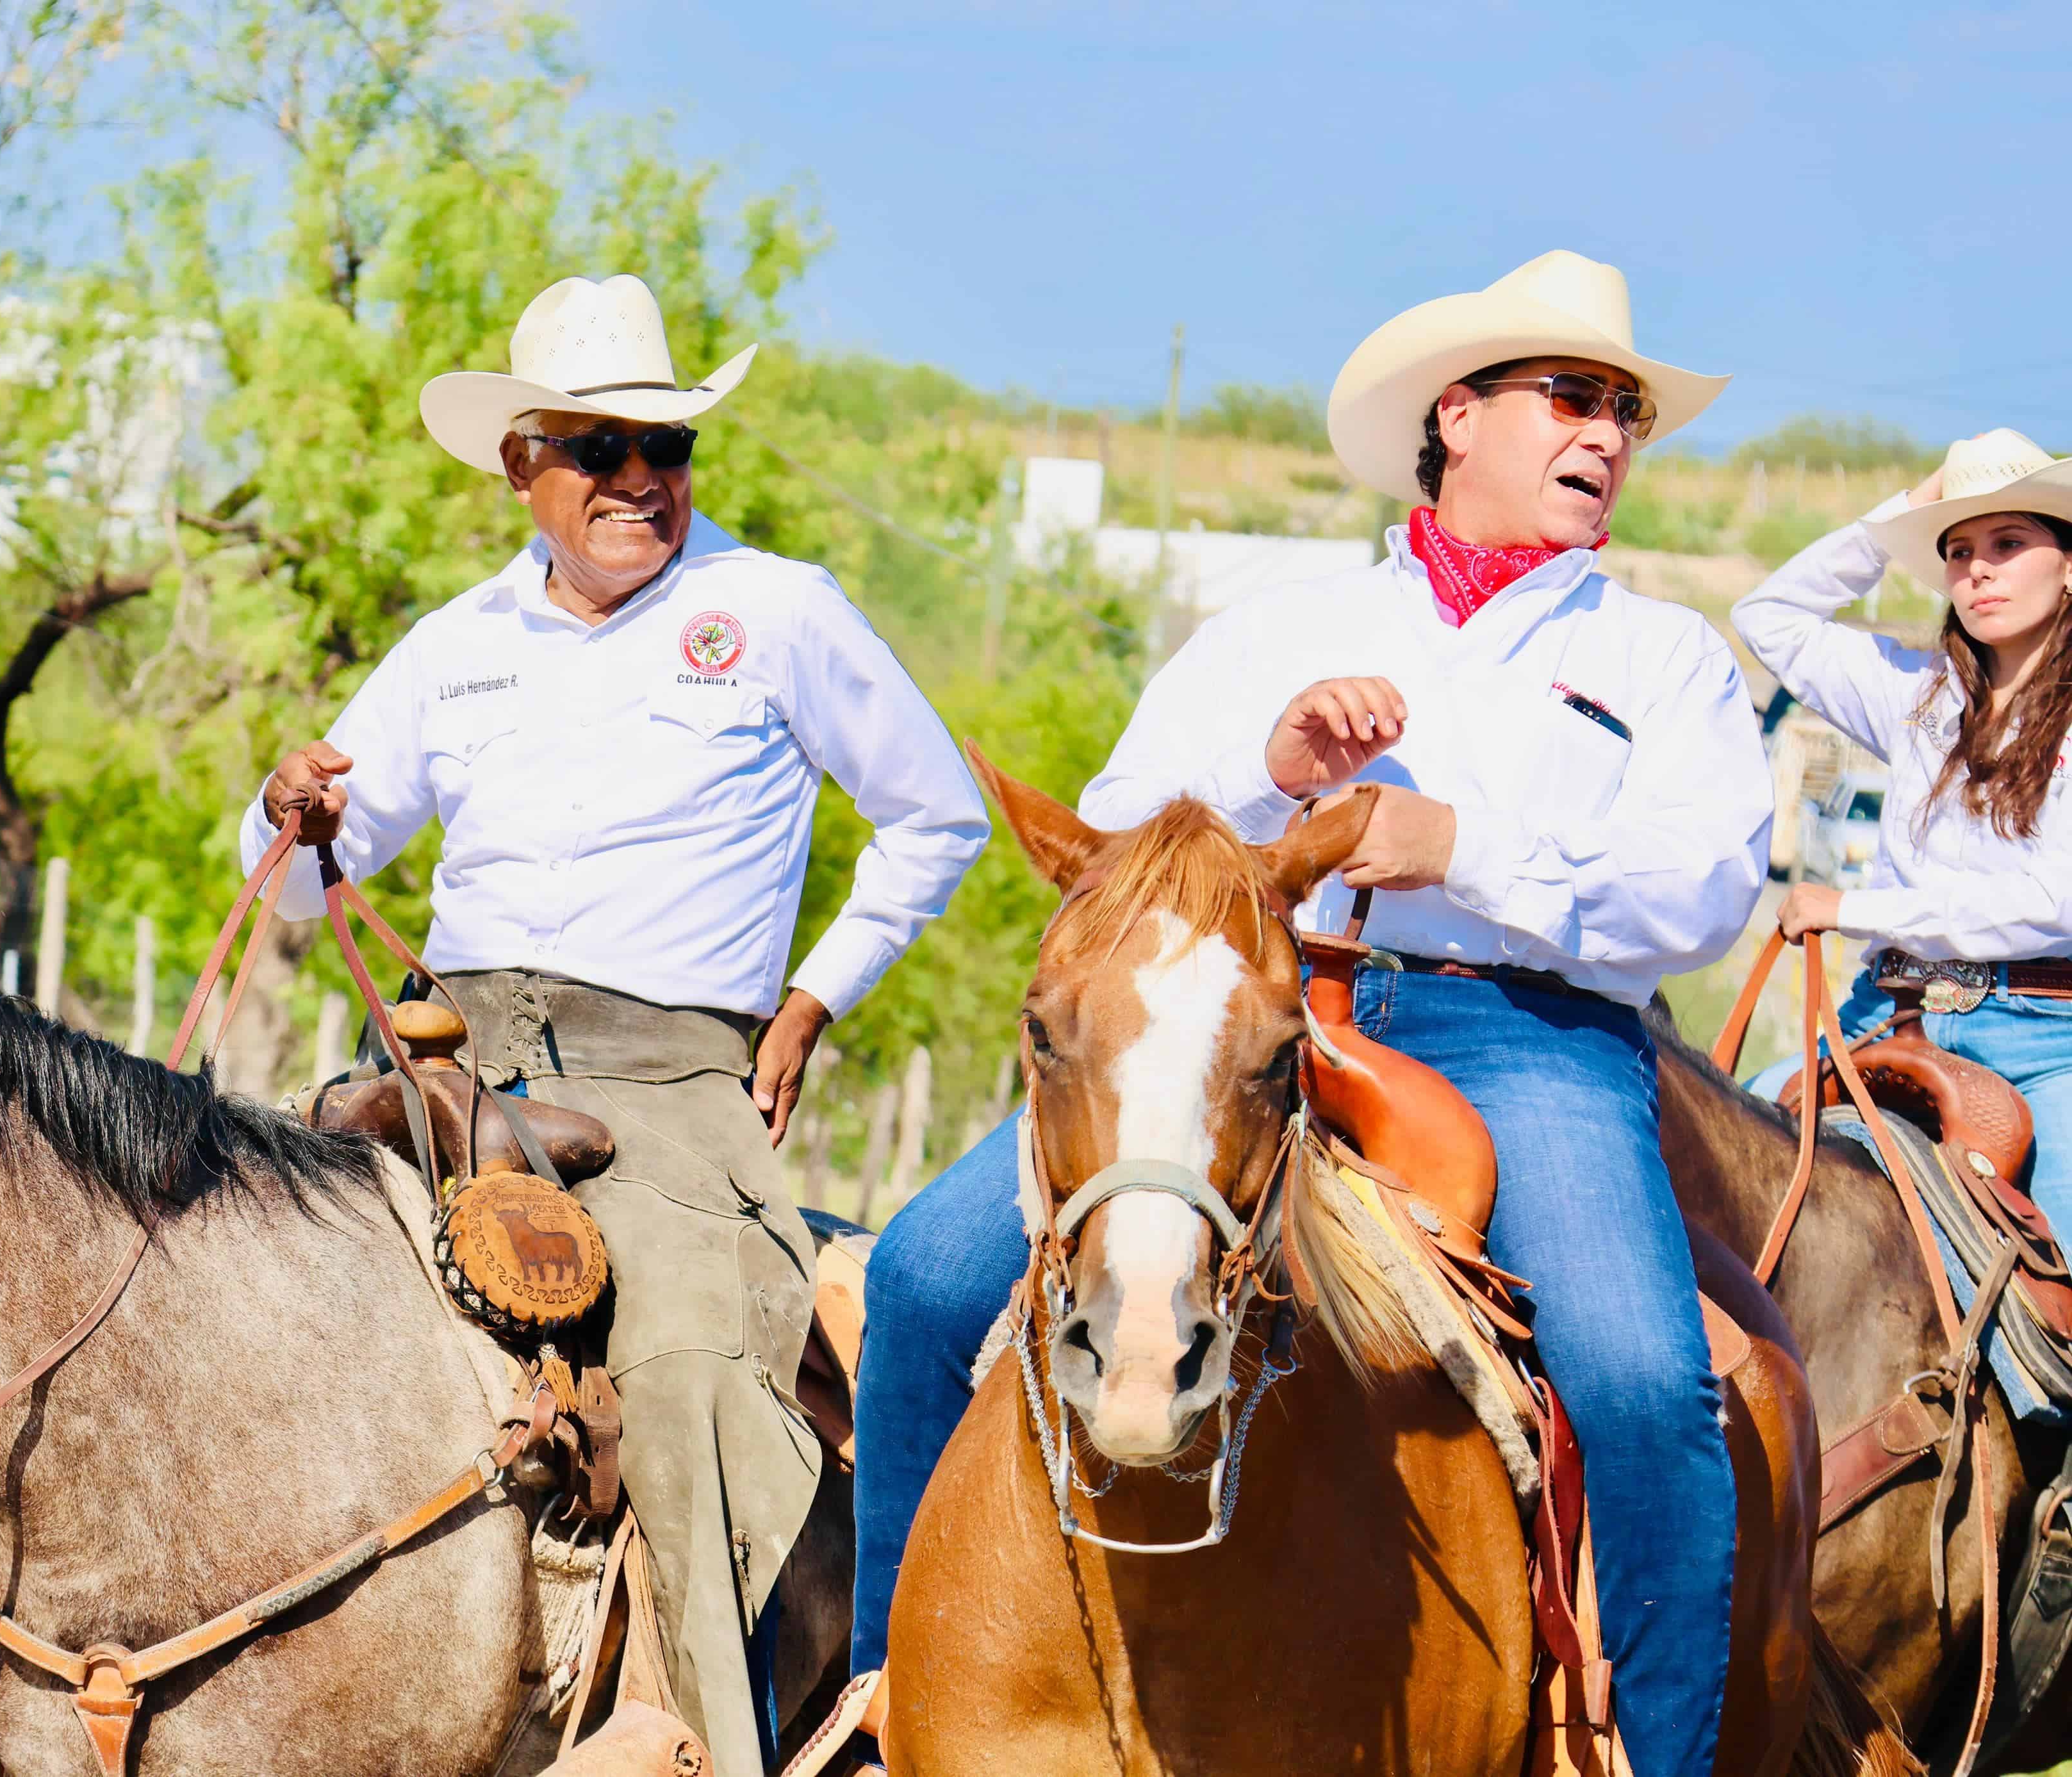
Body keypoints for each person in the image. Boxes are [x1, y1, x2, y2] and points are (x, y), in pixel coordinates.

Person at [850, 251, 1770, 1777]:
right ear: (1456, 418)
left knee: (1637, 1374)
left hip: (1527, 1036)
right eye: (1573, 396)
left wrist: (1464, 849)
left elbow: (1705, 890)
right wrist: (1268, 767)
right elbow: (1112, 836)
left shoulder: (1661, 657)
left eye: (1625, 409)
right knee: (921, 1274)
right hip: (1245, 1028)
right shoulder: (1281, 625)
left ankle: (1666, 1757)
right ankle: (886, 1693)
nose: (1606, 431)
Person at [242, 273, 987, 1773]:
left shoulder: (774, 611)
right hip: (441, 1057)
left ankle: (711, 1737)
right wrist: (289, 815)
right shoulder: (452, 643)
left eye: (665, 448)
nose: (639, 478)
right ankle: (65, 1657)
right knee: (216, 1265)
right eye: (597, 447)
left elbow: (936, 812)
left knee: (688, 1378)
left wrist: (814, 995)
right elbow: (306, 896)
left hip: (669, 1073)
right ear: (523, 465)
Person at [1735, 429, 2072, 1316]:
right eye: (1958, 551)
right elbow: (1768, 618)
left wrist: (1857, 906)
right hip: (1888, 1018)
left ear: (2068, 566)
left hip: (2044, 1038)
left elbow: (2053, 902)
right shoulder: (1914, 691)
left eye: (2007, 544)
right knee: (1727, 1163)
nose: (1979, 571)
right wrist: (1901, 516)